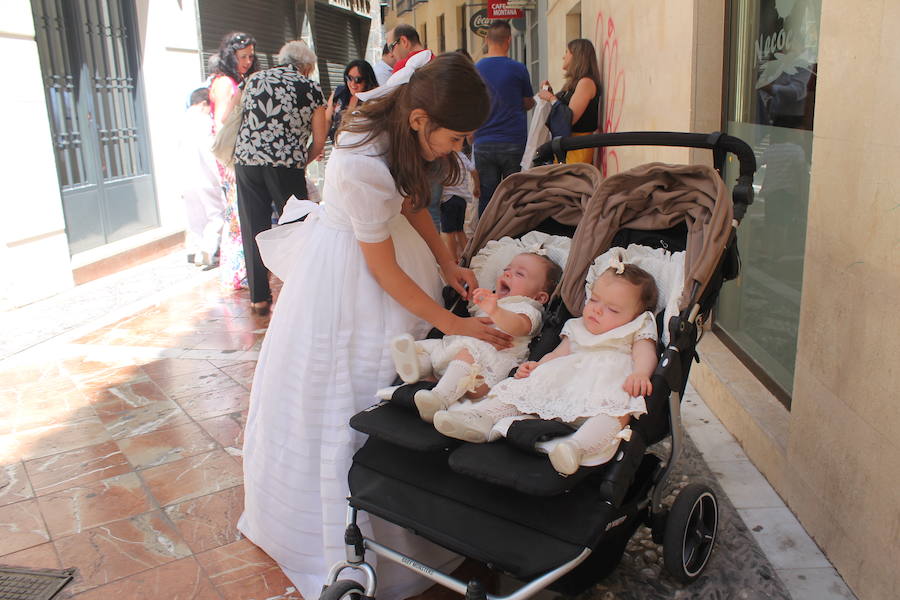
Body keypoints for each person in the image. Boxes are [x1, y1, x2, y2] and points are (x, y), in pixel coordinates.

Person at [238, 53, 508, 600]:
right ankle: (350, 539)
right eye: (455, 138)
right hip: (349, 275)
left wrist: (445, 260)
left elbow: (411, 205)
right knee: (353, 392)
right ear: (420, 121)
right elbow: (380, 271)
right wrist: (456, 324)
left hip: (387, 251)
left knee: (402, 377)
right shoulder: (363, 158)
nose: (458, 149)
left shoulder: (405, 124)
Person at [434, 260, 659, 476]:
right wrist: (538, 366)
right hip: (564, 380)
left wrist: (641, 372)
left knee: (616, 413)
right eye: (594, 300)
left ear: (635, 316)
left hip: (605, 384)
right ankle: (480, 417)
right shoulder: (578, 326)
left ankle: (576, 448)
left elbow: (645, 352)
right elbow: (560, 353)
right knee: (523, 391)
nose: (597, 310)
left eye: (612, 309)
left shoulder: (637, 326)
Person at [388, 252, 561, 422]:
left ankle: (439, 398)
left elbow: (518, 326)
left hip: (485, 369)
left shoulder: (528, 309)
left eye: (519, 274)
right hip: (457, 354)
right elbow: (471, 311)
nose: (507, 273)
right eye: (507, 269)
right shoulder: (493, 300)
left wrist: (496, 311)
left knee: (467, 352)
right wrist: (474, 295)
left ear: (540, 297)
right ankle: (416, 367)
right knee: (433, 346)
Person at [233, 40, 326, 315]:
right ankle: (301, 289)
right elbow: (319, 140)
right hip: (285, 164)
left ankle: (259, 298)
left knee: (254, 227)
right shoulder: (309, 87)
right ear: (307, 66)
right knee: (298, 225)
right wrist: (301, 161)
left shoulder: (254, 79)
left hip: (247, 161)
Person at [209, 32, 259, 292]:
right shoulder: (227, 84)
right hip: (230, 160)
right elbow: (221, 124)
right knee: (237, 217)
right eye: (243, 56)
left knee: (237, 216)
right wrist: (229, 165)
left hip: (231, 158)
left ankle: (238, 273)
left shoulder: (228, 81)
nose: (249, 61)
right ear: (232, 56)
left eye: (251, 56)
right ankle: (237, 274)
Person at [473, 20, 535, 214]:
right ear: (508, 40)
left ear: (486, 40)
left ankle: (486, 238)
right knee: (513, 195)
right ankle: (514, 235)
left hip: (483, 141)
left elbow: (470, 104)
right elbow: (527, 102)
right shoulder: (518, 69)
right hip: (513, 141)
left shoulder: (476, 69)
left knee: (487, 196)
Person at [179, 87, 225, 268]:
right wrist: (219, 176)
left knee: (194, 217)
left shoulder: (180, 121)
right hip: (204, 176)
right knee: (216, 216)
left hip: (185, 178)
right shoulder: (204, 121)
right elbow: (208, 151)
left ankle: (195, 250)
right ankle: (208, 250)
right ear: (204, 104)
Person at [538, 38, 602, 164]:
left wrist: (552, 99)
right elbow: (564, 109)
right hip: (568, 146)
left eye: (567, 52)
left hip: (577, 148)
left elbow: (569, 118)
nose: (563, 56)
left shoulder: (586, 82)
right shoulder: (575, 82)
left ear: (576, 56)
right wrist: (551, 95)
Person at [438, 150, 478, 260]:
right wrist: (477, 187)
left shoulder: (443, 156)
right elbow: (473, 170)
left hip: (448, 199)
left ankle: (453, 259)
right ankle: (468, 257)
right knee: (460, 230)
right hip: (462, 199)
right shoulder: (462, 156)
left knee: (449, 232)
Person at [326, 59, 378, 142]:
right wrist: (319, 145)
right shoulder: (339, 93)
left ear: (367, 80)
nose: (353, 84)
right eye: (349, 78)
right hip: (337, 148)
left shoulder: (373, 100)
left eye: (358, 80)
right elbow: (327, 120)